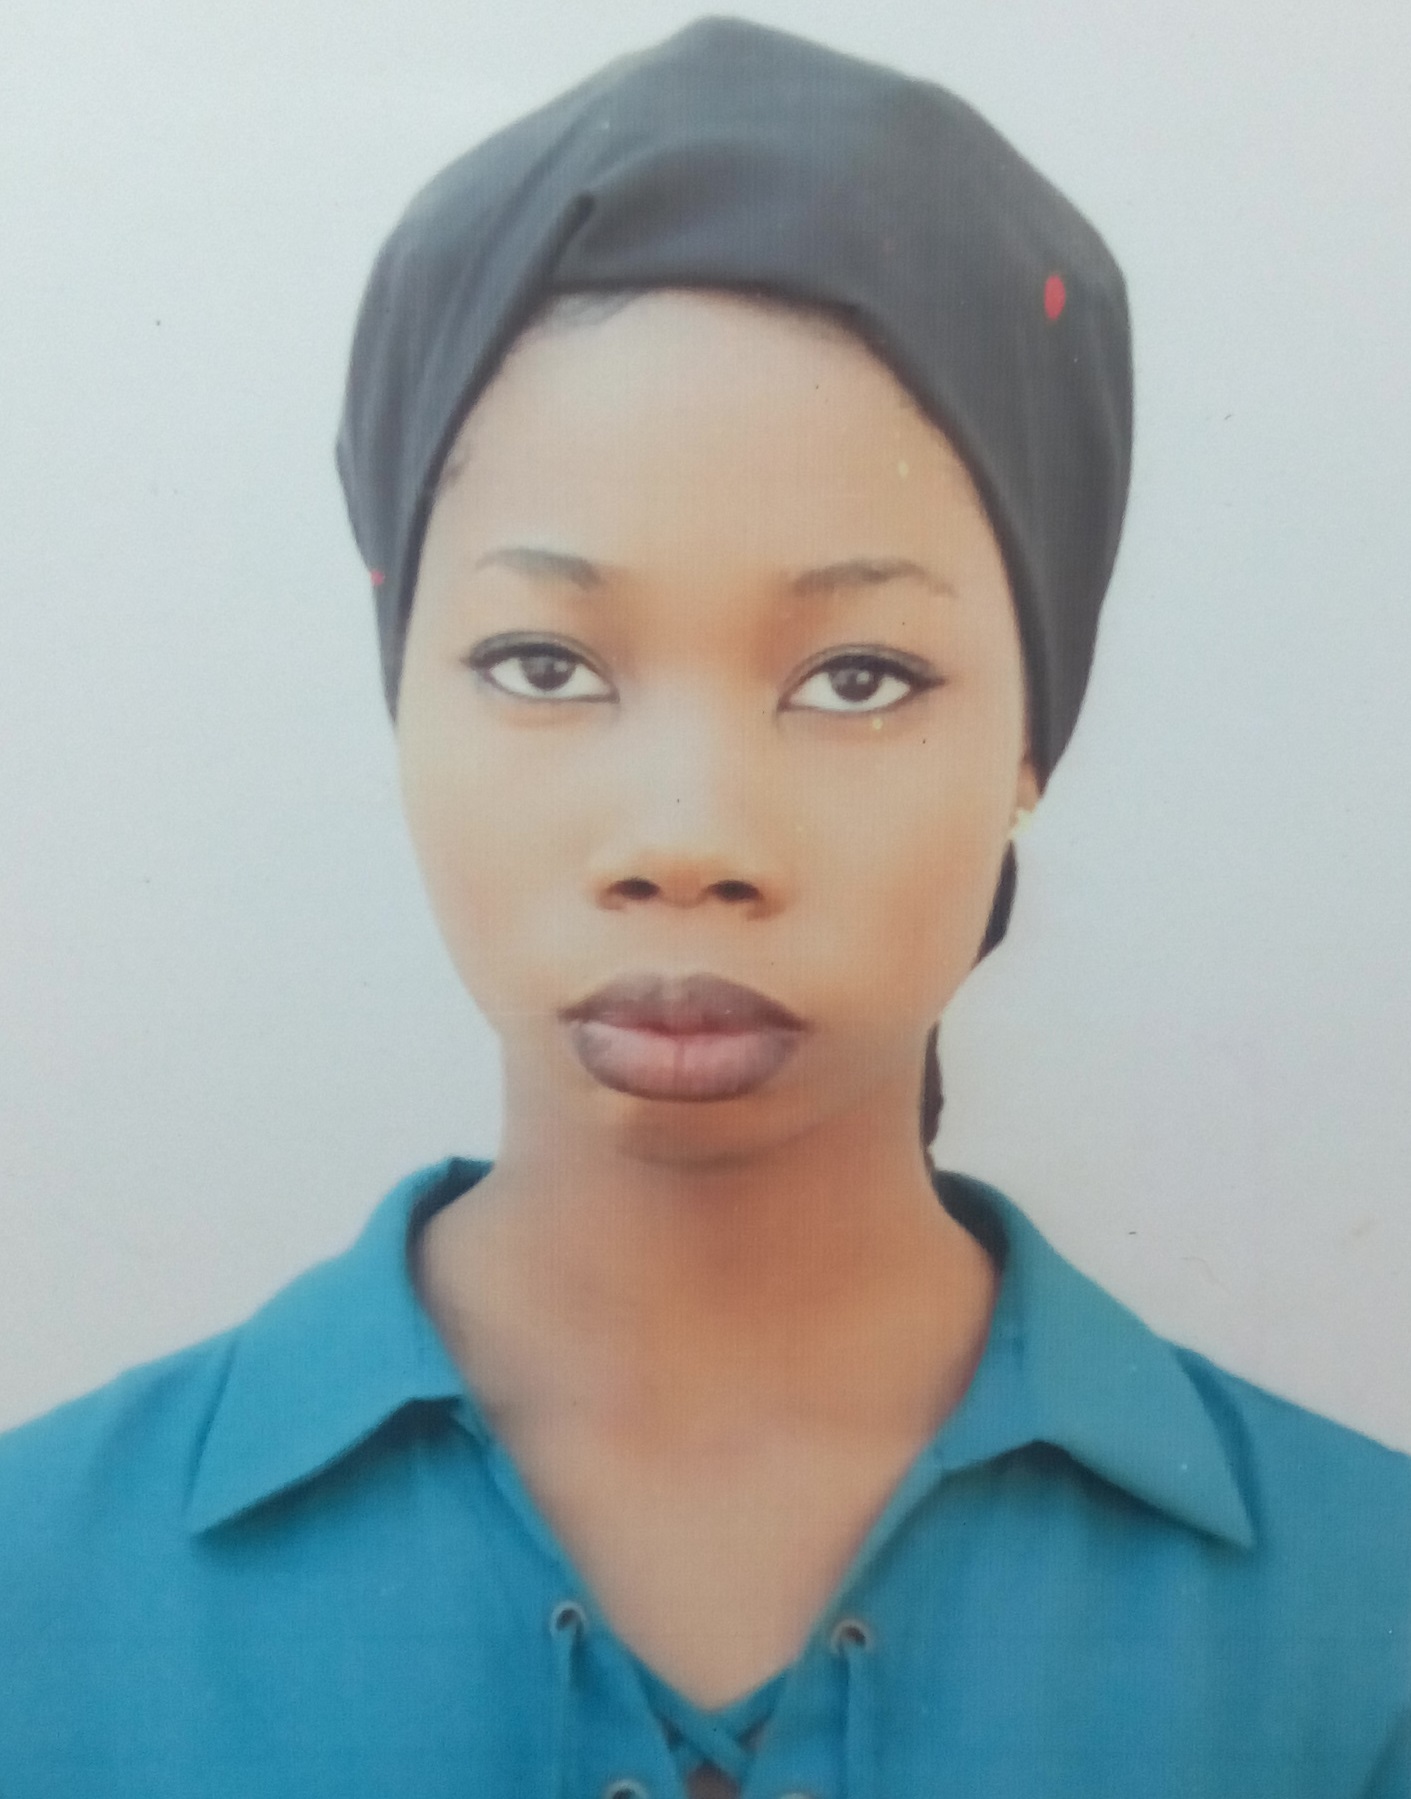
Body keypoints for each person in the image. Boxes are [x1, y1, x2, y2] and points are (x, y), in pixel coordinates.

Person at [0, 17, 1406, 1797]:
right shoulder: (36, 1596)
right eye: (543, 663)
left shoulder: (1366, 1634)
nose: (687, 840)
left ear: (1033, 741)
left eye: (857, 677)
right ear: (398, 694)